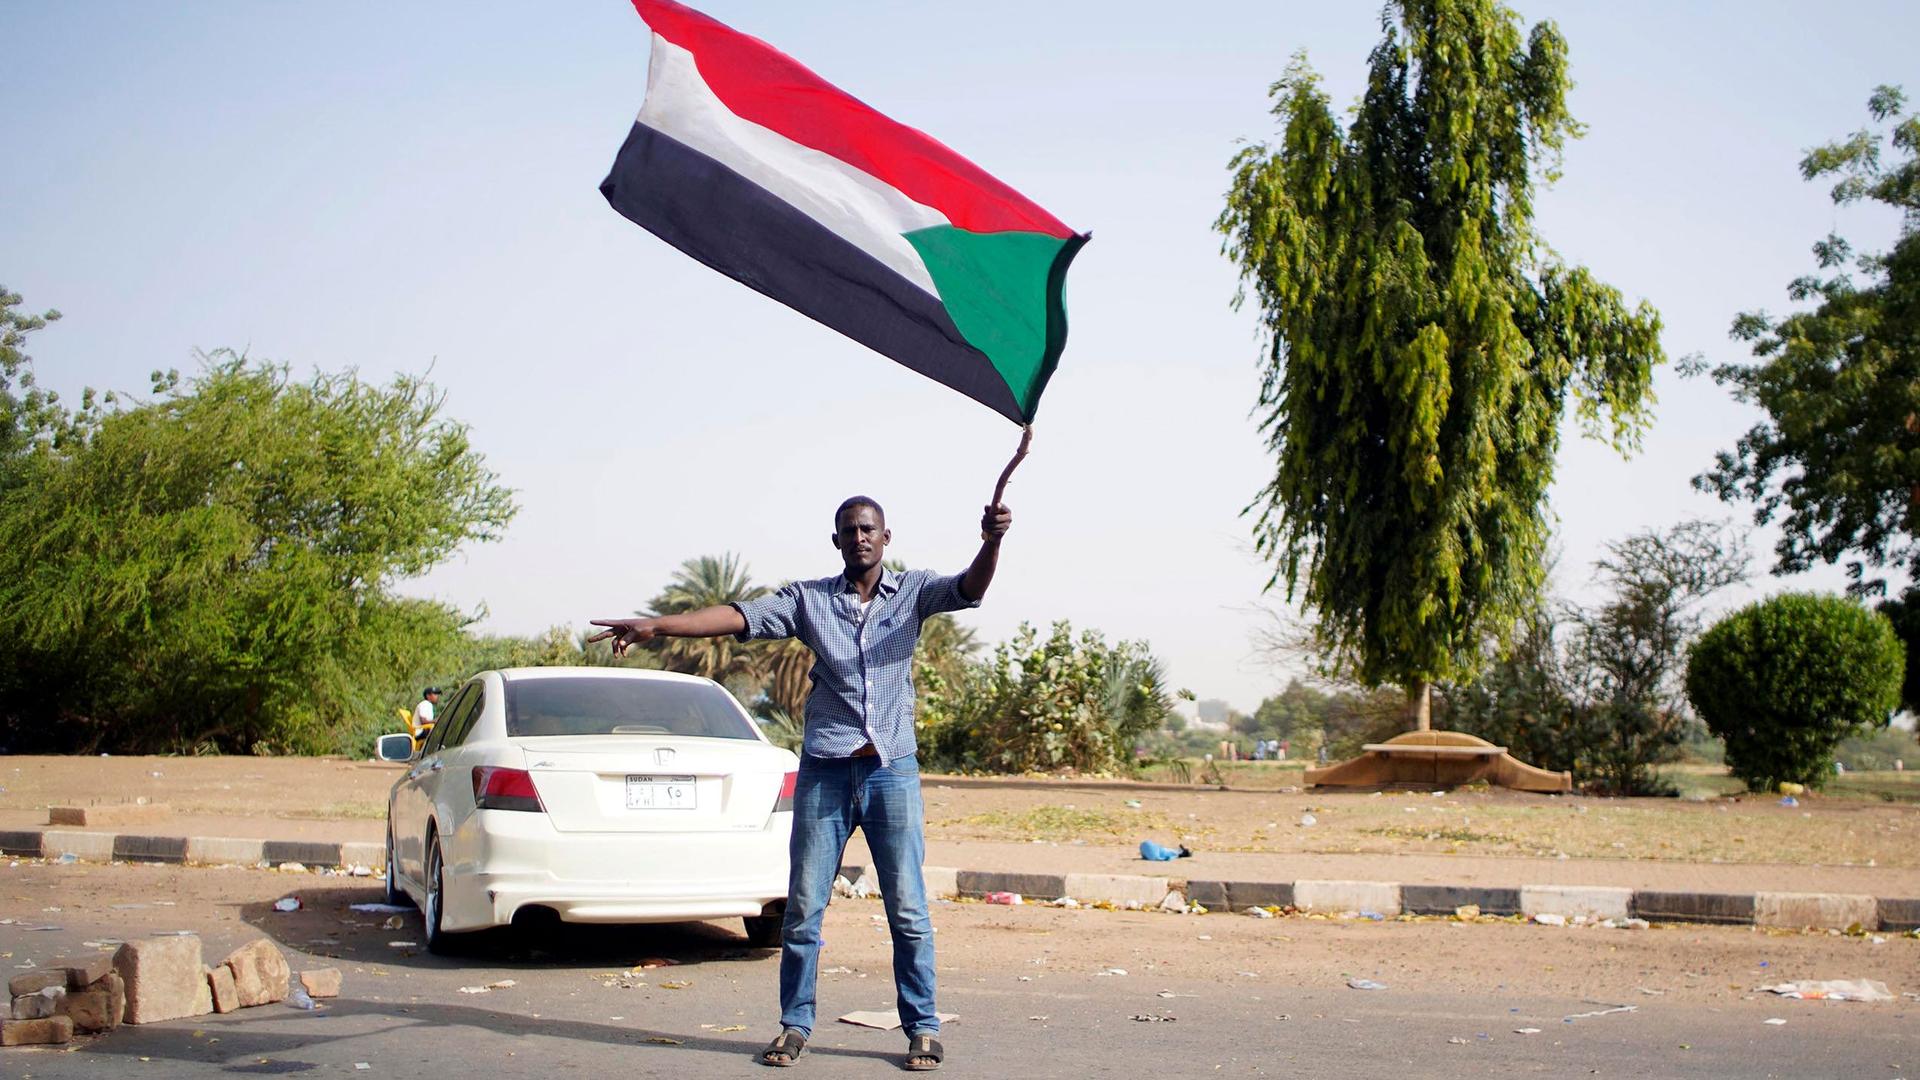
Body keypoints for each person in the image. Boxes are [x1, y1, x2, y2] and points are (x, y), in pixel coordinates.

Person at [589, 495, 1011, 1072]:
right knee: (804, 910)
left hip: (892, 772)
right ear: (837, 542)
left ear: (886, 538)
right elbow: (739, 616)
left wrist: (991, 540)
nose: (860, 537)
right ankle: (794, 1024)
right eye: (849, 530)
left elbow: (969, 588)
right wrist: (658, 625)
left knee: (908, 909)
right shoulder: (808, 600)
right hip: (825, 773)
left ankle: (922, 1027)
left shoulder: (912, 594)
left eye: (869, 528)